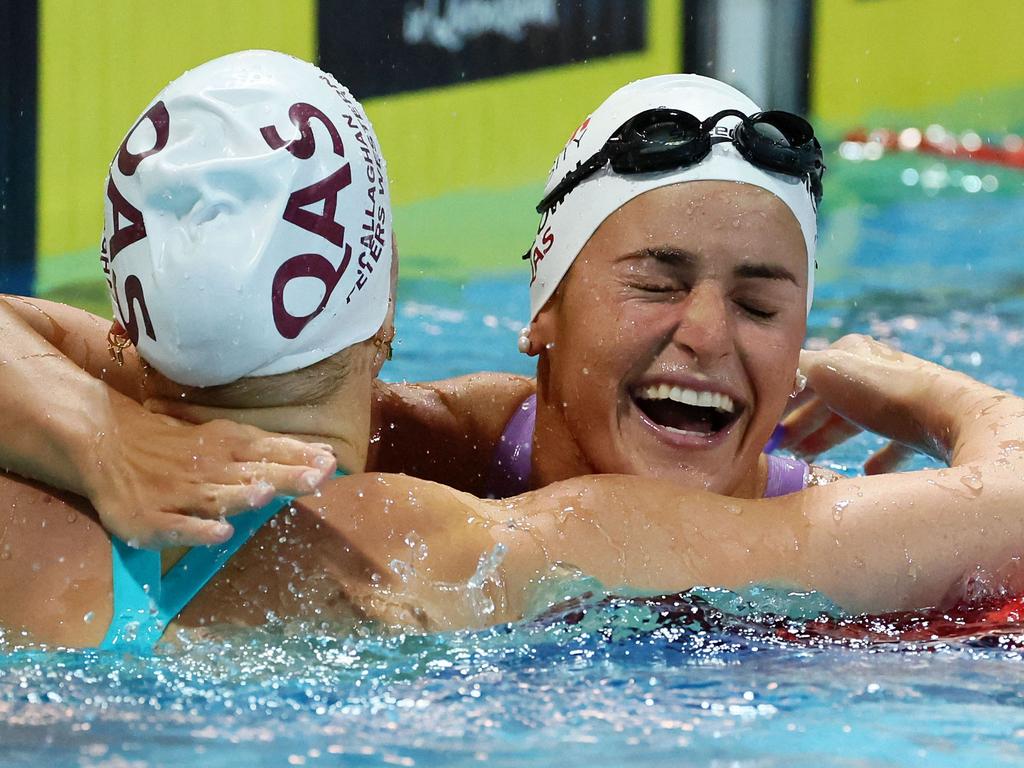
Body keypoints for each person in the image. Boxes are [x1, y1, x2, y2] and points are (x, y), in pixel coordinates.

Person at [4, 64, 1024, 651]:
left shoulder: (28, 536)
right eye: (657, 284)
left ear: (124, 321)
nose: (707, 334)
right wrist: (932, 391)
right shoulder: (482, 544)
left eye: (761, 300)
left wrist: (100, 435)